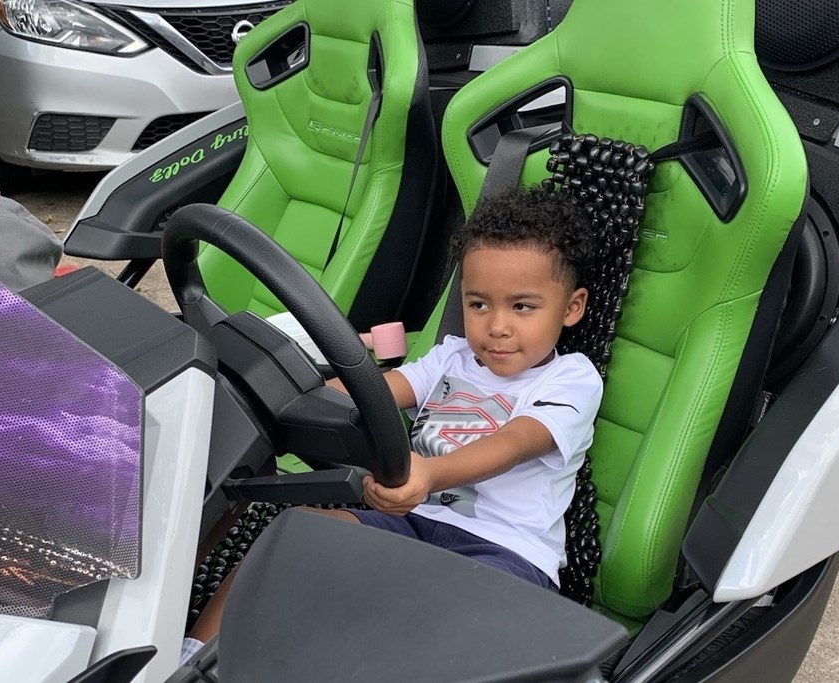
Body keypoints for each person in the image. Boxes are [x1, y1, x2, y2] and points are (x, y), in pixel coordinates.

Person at [186, 186, 603, 652]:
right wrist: (284, 396)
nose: (497, 325)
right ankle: (191, 660)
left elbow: (516, 442)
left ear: (572, 307)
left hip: (504, 552)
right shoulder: (452, 358)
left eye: (522, 306)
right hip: (412, 523)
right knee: (300, 530)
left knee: (426, 623)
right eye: (478, 303)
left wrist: (428, 473)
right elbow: (375, 393)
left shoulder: (571, 379)